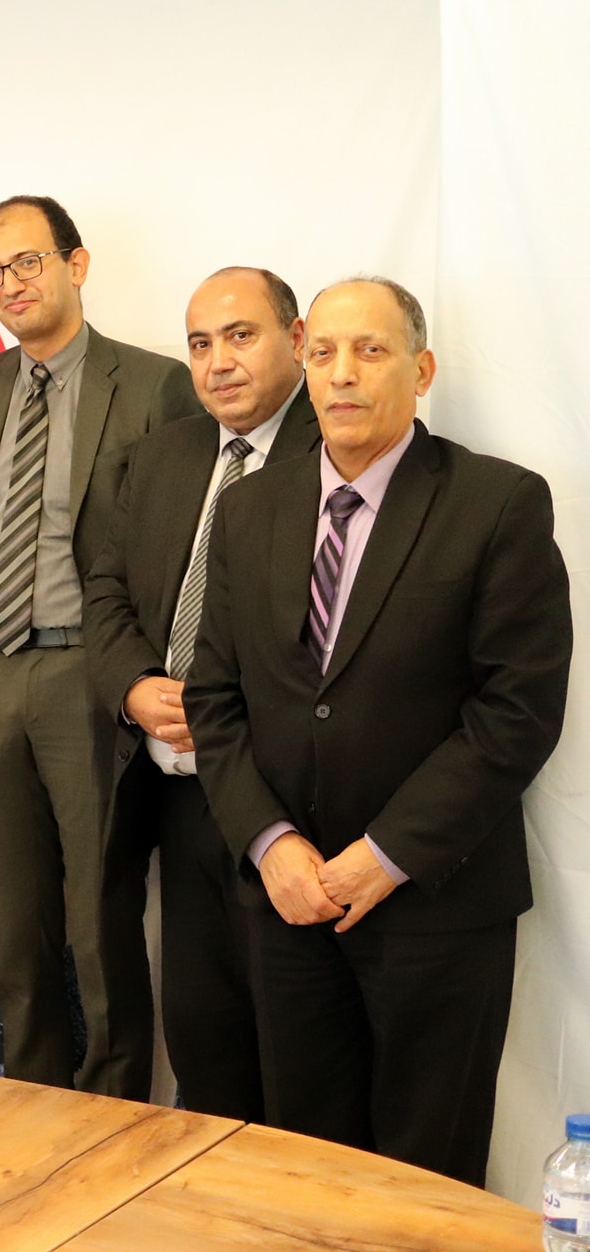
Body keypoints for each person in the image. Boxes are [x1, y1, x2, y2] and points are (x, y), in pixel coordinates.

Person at [185, 277, 570, 1186]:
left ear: (421, 369)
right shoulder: (248, 508)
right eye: (322, 352)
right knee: (308, 1176)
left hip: (436, 909)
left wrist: (385, 854)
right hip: (289, 908)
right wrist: (270, 844)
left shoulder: (498, 503)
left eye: (370, 350)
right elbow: (214, 698)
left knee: (425, 1186)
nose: (342, 373)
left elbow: (516, 710)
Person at [0, 196, 199, 1096]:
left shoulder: (154, 383)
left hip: (88, 675)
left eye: (27, 262)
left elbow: (176, 544)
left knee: (99, 916)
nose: (9, 284)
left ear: (76, 264)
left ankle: (115, 1110)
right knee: (11, 919)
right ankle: (32, 1098)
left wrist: (138, 671)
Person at [82, 267, 317, 1120]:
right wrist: (135, 685)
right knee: (205, 1035)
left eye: (241, 335)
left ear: (296, 340)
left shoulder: (338, 454)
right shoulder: (161, 455)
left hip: (282, 799)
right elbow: (105, 590)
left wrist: (220, 708)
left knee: (293, 1050)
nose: (219, 361)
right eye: (200, 343)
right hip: (175, 797)